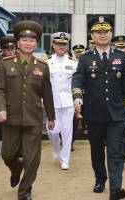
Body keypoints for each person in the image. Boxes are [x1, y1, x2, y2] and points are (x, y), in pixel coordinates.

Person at [72, 16, 125, 200]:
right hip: (94, 113)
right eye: (98, 32)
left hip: (117, 113)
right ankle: (100, 178)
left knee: (115, 151)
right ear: (92, 35)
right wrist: (77, 97)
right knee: (97, 150)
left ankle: (116, 188)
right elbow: (78, 79)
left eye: (106, 31)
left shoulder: (121, 57)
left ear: (111, 33)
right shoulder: (85, 59)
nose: (103, 35)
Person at [0, 20, 55, 200]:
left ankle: (25, 191)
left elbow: (47, 94)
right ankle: (15, 168)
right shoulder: (5, 64)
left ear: (36, 43)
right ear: (18, 42)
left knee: (32, 158)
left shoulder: (42, 67)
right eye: (24, 40)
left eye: (32, 40)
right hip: (10, 117)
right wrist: (0, 109)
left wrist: (50, 117)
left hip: (33, 118)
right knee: (8, 154)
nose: (28, 43)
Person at [46, 32, 77, 170]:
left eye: (64, 44)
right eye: (58, 44)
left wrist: (77, 100)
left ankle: (65, 160)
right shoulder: (46, 63)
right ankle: (56, 150)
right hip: (51, 102)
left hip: (68, 102)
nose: (61, 46)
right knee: (52, 131)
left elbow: (77, 84)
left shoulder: (73, 63)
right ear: (53, 45)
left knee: (67, 131)